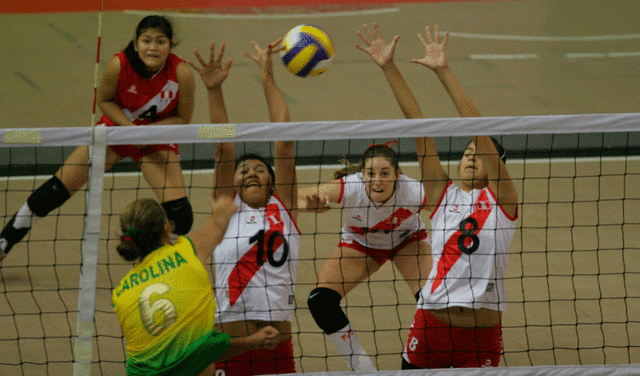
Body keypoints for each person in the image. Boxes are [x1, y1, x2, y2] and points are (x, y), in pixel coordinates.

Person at [357, 23, 518, 368]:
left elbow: (479, 127)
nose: (471, 155)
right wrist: (388, 67)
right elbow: (419, 126)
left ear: (496, 166)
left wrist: (444, 72)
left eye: (480, 152)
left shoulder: (503, 204)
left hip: (482, 335)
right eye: (466, 151)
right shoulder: (444, 195)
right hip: (432, 324)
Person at [298, 26, 437, 371]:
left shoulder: (413, 192)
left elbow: (422, 133)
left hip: (408, 241)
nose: (377, 180)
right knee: (319, 301)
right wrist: (309, 201)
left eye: (385, 174)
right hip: (360, 244)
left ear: (397, 176)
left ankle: (416, 360)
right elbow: (300, 196)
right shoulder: (352, 188)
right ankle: (362, 367)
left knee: (435, 303)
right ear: (362, 175)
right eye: (370, 173)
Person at [0, 15, 195, 261]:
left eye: (160, 41)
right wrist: (130, 131)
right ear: (136, 43)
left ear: (171, 45)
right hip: (115, 132)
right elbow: (104, 101)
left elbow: (183, 119)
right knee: (55, 190)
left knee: (181, 216)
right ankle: (5, 241)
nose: (153, 47)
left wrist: (148, 134)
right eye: (147, 40)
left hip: (155, 139)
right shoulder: (119, 64)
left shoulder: (181, 72)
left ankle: (161, 261)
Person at [189, 38, 300, 375]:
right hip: (228, 345)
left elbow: (283, 139)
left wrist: (267, 75)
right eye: (244, 170)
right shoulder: (226, 208)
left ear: (271, 181)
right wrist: (213, 91)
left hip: (276, 345)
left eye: (260, 170)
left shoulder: (285, 207)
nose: (251, 172)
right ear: (233, 182)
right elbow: (224, 149)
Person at [112, 195, 280, 376]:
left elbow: (184, 356)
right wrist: (224, 207)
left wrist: (252, 341)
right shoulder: (188, 250)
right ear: (166, 229)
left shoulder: (120, 294)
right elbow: (198, 353)